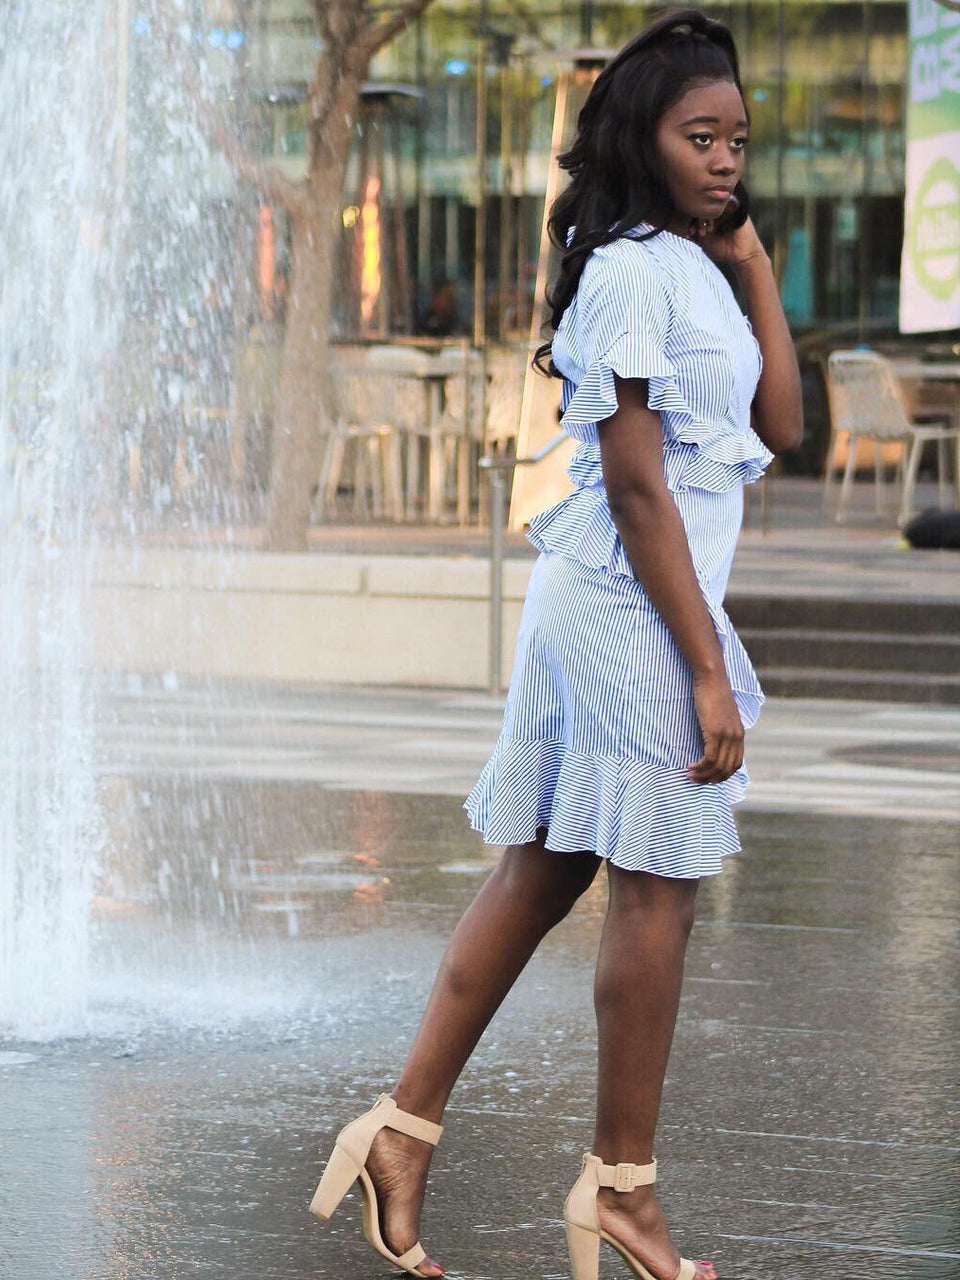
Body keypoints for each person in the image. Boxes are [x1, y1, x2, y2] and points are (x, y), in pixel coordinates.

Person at [308, 10, 803, 1280]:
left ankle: (400, 1131)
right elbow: (636, 485)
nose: (724, 159)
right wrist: (704, 666)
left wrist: (752, 265)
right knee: (653, 888)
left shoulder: (694, 263)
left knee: (542, 874)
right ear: (643, 136)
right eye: (701, 136)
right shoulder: (633, 266)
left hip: (635, 593)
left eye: (737, 140)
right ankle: (621, 1190)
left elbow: (785, 425)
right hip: (627, 599)